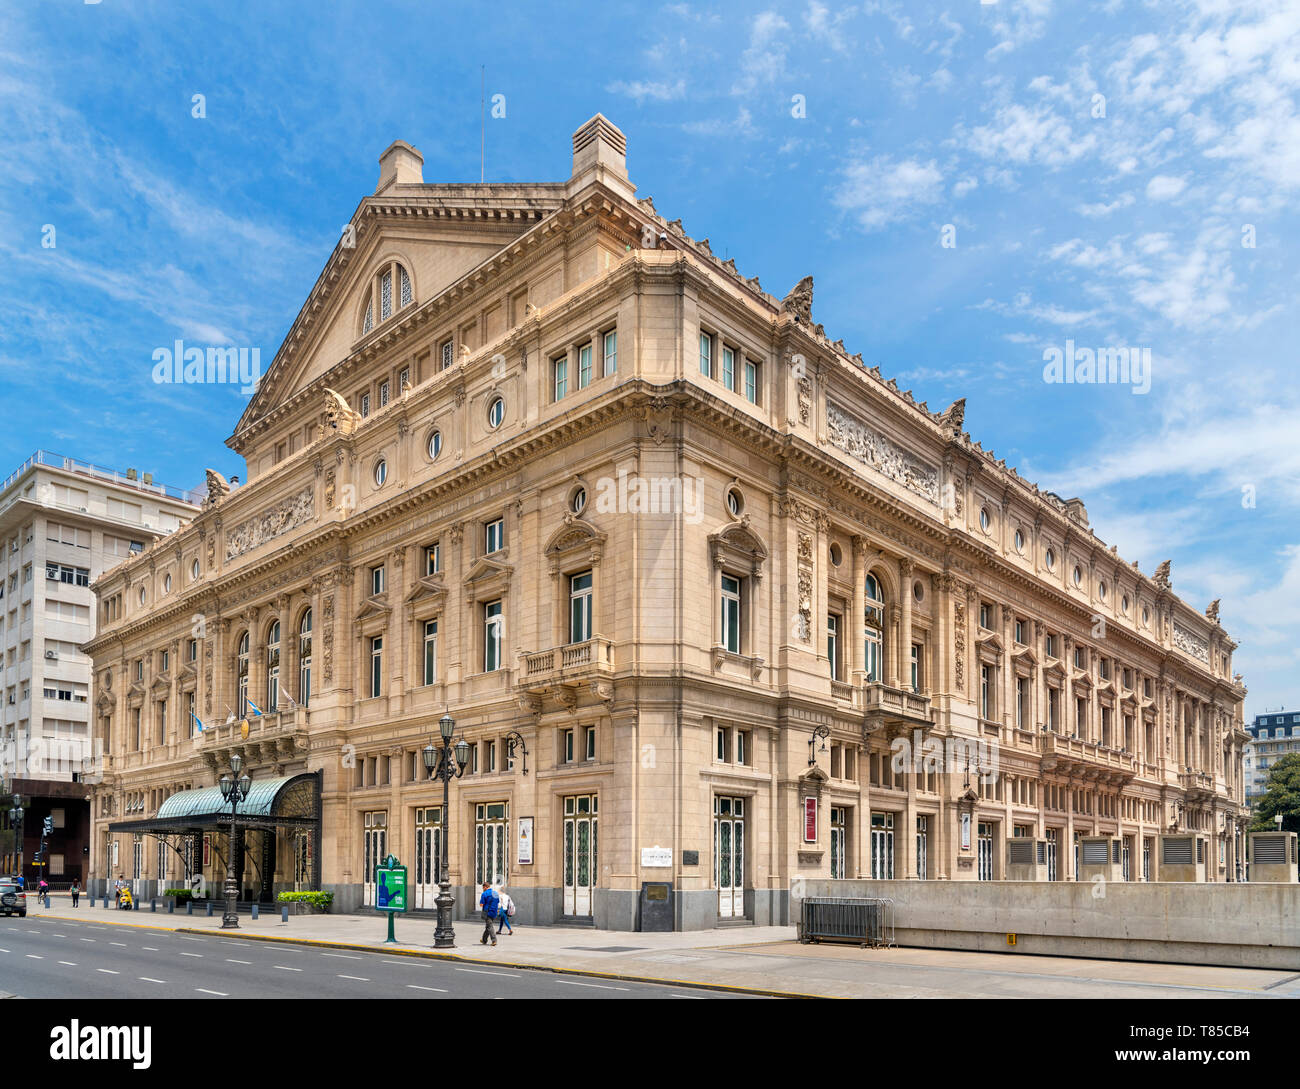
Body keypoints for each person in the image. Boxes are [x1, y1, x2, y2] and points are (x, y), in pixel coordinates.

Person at [478, 881, 499, 946]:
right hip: (494, 912)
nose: (483, 889)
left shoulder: (484, 894)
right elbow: (497, 902)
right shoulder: (495, 893)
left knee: (490, 926)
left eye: (483, 888)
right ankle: (484, 940)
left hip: (487, 912)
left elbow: (481, 904)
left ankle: (494, 940)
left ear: (485, 887)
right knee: (488, 926)